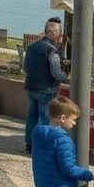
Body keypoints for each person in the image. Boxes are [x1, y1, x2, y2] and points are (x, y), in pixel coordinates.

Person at [23, 21, 68, 153]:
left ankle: (29, 143)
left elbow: (25, 67)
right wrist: (65, 75)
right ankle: (39, 145)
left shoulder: (32, 47)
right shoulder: (52, 51)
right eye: (59, 32)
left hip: (31, 87)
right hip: (46, 89)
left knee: (32, 116)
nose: (60, 35)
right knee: (44, 117)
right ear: (55, 34)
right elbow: (56, 73)